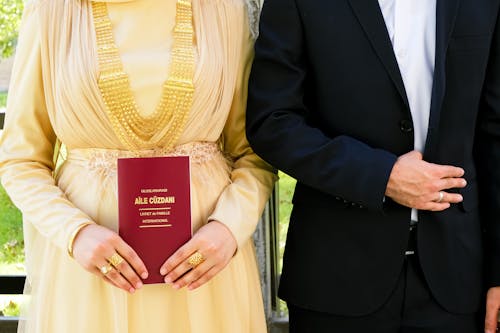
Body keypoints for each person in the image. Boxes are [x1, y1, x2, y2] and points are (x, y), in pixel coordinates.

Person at [0, 0, 276, 332]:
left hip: (205, 271)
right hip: (91, 276)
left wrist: (229, 227)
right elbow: (20, 160)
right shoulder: (51, 11)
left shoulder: (224, 10)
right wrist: (74, 233)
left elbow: (254, 152)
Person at [246, 0, 500, 332]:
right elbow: (272, 121)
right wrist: (381, 176)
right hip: (335, 279)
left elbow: (494, 133)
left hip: (457, 281)